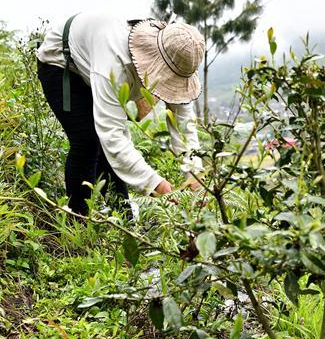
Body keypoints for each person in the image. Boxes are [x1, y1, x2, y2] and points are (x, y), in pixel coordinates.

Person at [36, 12, 203, 216]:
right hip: (62, 61)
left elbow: (183, 126)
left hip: (95, 60)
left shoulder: (178, 55)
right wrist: (155, 184)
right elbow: (112, 136)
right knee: (87, 142)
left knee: (105, 151)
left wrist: (195, 175)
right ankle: (78, 220)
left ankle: (123, 218)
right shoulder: (115, 59)